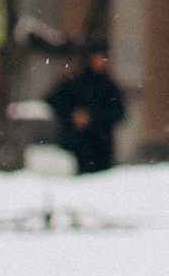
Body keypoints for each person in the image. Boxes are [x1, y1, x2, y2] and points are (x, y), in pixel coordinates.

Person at [45, 43, 127, 176]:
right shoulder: (74, 82)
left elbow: (118, 112)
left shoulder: (109, 86)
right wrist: (73, 114)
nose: (102, 62)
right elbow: (54, 101)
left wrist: (93, 117)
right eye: (99, 57)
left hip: (101, 148)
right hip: (74, 146)